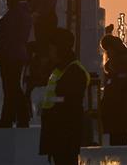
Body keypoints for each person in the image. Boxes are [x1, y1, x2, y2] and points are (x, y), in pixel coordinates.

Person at [39, 28, 88, 165]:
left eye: (52, 48)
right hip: (57, 133)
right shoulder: (59, 70)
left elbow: (68, 102)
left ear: (60, 49)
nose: (50, 52)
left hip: (65, 135)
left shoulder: (74, 71)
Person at [0, 0, 32, 128]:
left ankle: (10, 118)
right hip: (12, 55)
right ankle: (17, 117)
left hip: (10, 56)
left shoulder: (16, 13)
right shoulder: (20, 12)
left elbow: (9, 37)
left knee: (11, 88)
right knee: (12, 87)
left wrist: (1, 53)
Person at [100, 33, 127, 145]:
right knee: (117, 143)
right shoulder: (115, 70)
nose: (107, 54)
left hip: (119, 117)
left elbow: (117, 94)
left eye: (108, 50)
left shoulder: (121, 69)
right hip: (115, 117)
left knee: (119, 144)